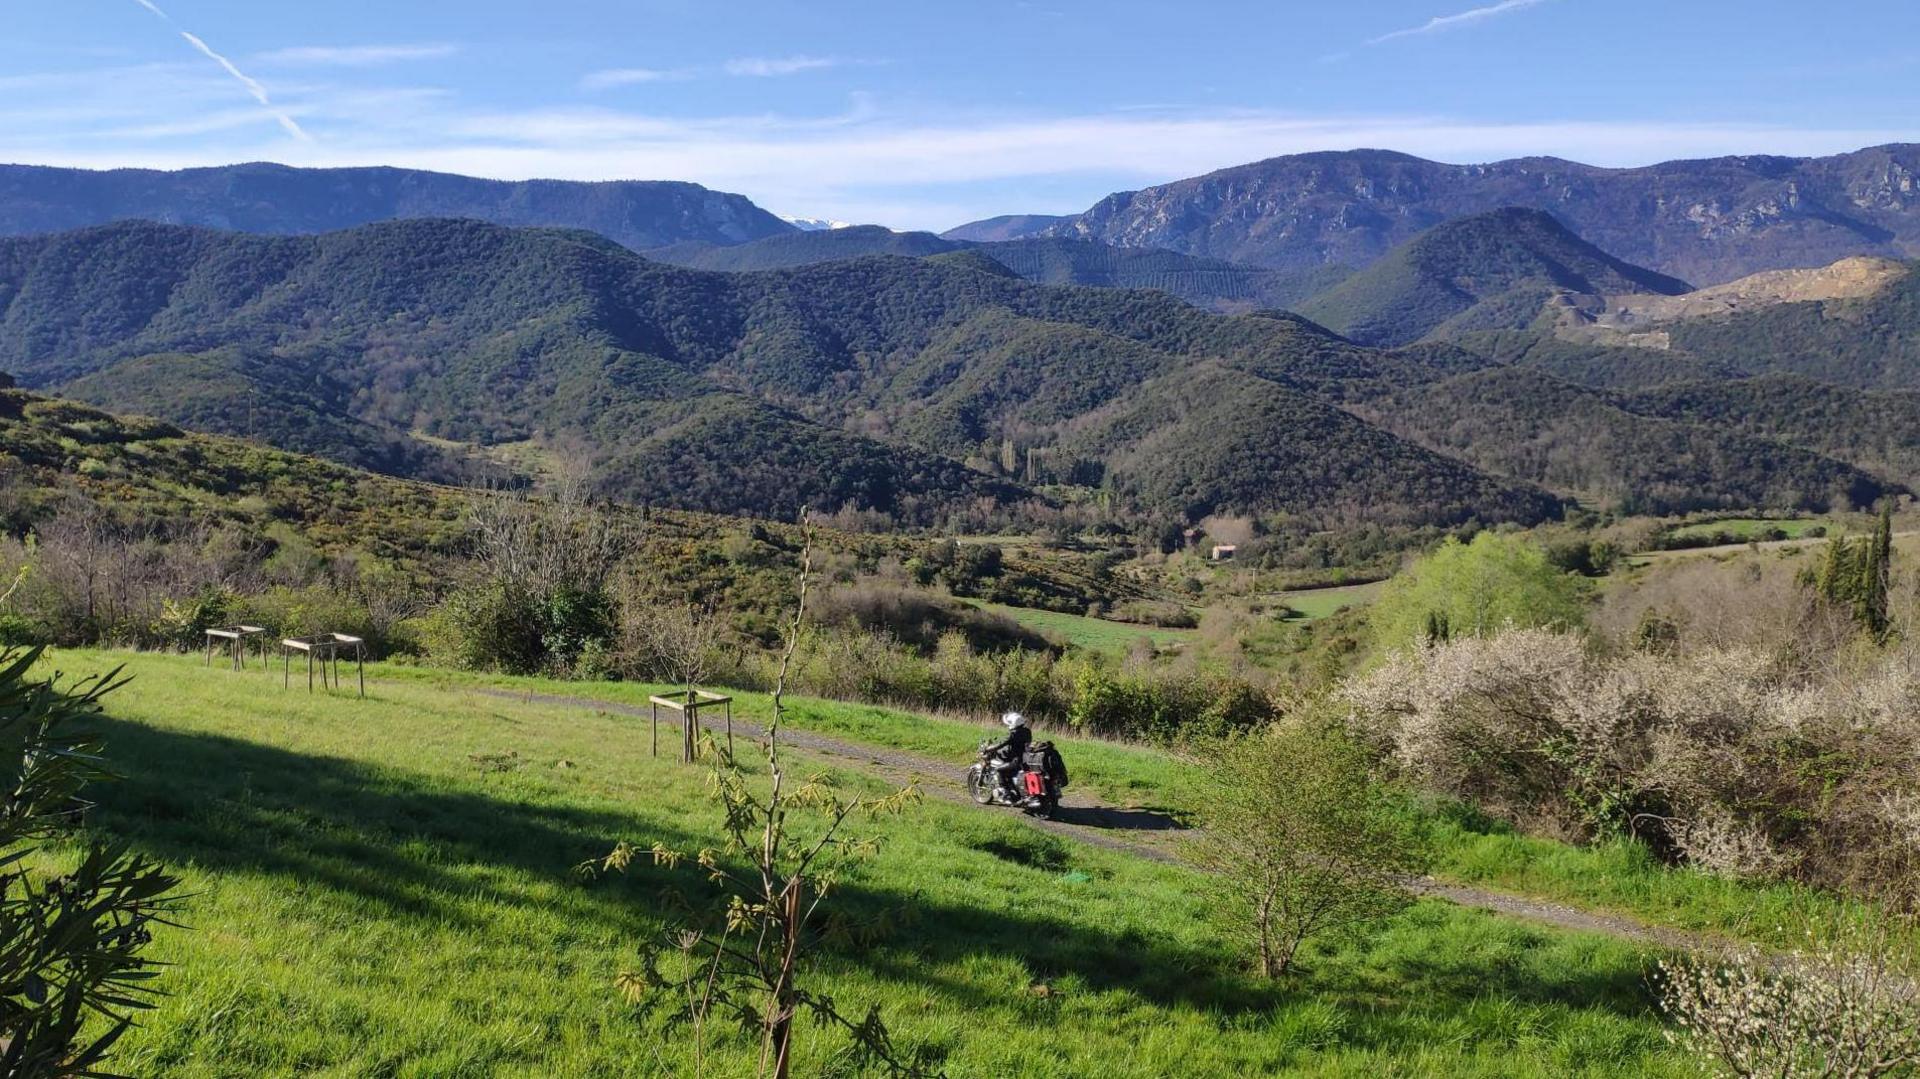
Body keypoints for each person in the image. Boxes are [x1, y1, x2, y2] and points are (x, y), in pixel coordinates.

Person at [984, 711, 1031, 796]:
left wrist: (988, 748)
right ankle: (1011, 787)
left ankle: (1005, 791)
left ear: (1013, 724)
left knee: (998, 769)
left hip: (1016, 761)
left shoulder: (1013, 734)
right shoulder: (1027, 732)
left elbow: (1001, 743)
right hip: (1025, 759)